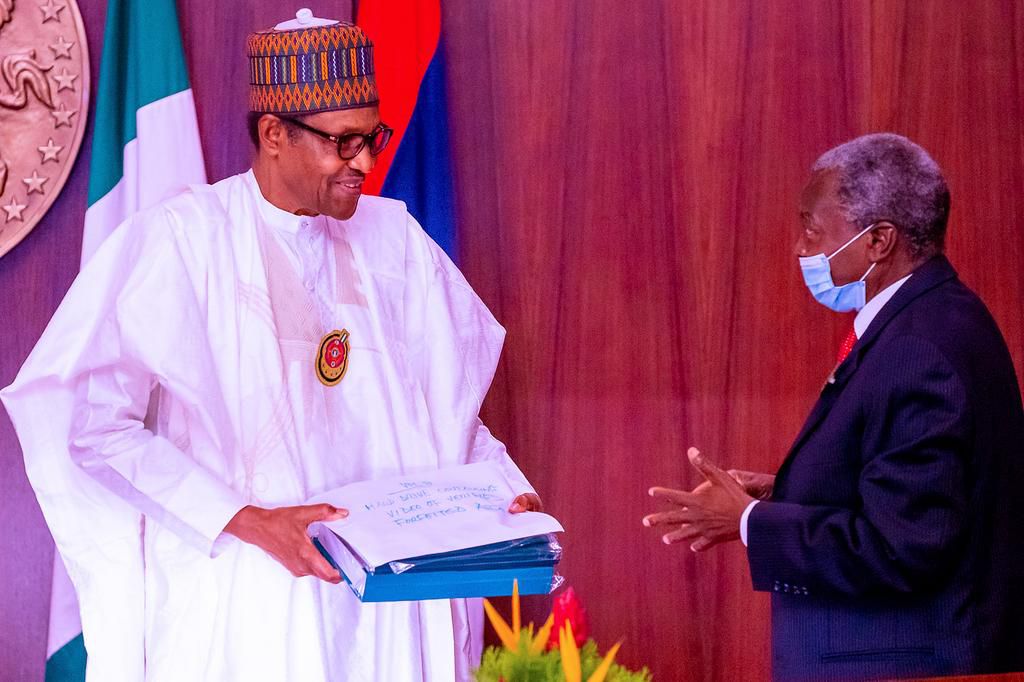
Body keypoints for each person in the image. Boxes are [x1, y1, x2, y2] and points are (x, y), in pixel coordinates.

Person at [1, 12, 542, 682]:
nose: (366, 162)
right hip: (246, 605)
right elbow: (94, 427)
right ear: (275, 135)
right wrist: (250, 520)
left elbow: (448, 415)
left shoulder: (395, 242)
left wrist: (500, 493)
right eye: (343, 143)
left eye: (372, 137)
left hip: (387, 615)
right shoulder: (182, 240)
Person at [643, 133, 1024, 681]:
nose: (800, 248)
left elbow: (901, 547)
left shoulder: (920, 348)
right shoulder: (933, 319)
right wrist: (782, 491)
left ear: (879, 241)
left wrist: (749, 521)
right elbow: (908, 488)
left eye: (813, 229)